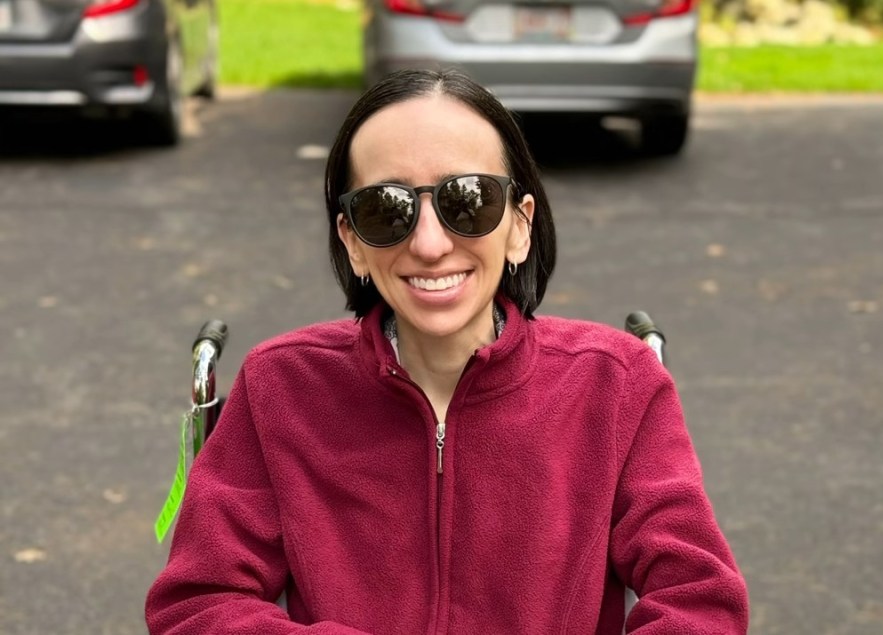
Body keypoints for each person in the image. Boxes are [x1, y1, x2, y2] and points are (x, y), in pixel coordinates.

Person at [146, 68, 749, 634]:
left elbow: (699, 598)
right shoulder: (282, 386)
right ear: (352, 243)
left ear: (520, 224)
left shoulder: (615, 385)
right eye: (388, 210)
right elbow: (199, 603)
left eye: (469, 201)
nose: (430, 245)